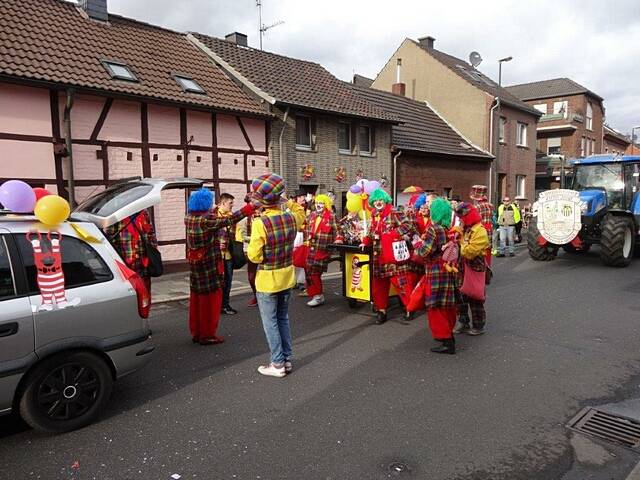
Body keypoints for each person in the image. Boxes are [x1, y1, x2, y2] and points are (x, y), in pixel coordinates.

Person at [247, 174, 305, 378]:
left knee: (270, 321)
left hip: (267, 279)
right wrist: (286, 199)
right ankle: (286, 360)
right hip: (286, 275)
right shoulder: (291, 217)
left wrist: (263, 255)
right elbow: (301, 212)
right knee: (283, 318)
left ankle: (278, 363)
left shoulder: (260, 223)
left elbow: (254, 256)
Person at [184, 188, 253, 345]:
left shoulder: (189, 218)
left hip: (196, 266)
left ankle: (197, 332)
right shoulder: (206, 221)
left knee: (196, 301)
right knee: (211, 302)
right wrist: (249, 208)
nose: (212, 205)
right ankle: (207, 334)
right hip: (209, 266)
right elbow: (229, 220)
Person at [360, 188, 417, 324]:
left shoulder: (394, 211)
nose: (378, 202)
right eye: (376, 200)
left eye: (380, 200)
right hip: (378, 255)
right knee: (379, 285)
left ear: (385, 200)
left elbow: (408, 225)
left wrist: (393, 235)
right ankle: (381, 311)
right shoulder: (374, 214)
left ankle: (409, 307)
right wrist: (365, 241)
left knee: (401, 283)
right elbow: (371, 231)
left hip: (392, 255)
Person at [414, 198, 459, 354]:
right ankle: (449, 335)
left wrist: (418, 245)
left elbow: (425, 251)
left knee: (435, 305)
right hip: (447, 269)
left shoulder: (434, 229)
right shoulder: (448, 228)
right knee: (446, 304)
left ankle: (446, 340)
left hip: (435, 269)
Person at [105, 209, 158, 302]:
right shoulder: (116, 216)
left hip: (144, 264)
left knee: (144, 297)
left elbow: (151, 233)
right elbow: (109, 240)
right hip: (126, 266)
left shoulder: (143, 213)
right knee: (130, 298)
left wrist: (153, 251)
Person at [453, 202, 489, 336]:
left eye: (461, 218)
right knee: (460, 296)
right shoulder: (465, 229)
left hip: (474, 266)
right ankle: (463, 322)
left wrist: (458, 245)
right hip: (462, 266)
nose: (460, 220)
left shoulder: (480, 231)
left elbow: (470, 251)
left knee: (475, 297)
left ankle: (478, 325)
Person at [303, 194, 337, 307]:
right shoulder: (311, 215)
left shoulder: (331, 217)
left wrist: (338, 240)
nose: (319, 205)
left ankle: (318, 296)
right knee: (310, 272)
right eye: (317, 203)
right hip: (310, 248)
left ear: (326, 204)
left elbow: (339, 231)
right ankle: (316, 294)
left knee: (315, 271)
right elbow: (304, 227)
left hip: (323, 249)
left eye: (321, 203)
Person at [212, 193, 238, 314]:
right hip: (216, 255)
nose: (232, 205)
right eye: (230, 203)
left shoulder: (231, 216)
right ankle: (216, 306)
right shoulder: (213, 215)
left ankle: (225, 305)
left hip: (228, 254)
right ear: (222, 203)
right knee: (216, 283)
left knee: (228, 281)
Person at [236, 214, 258, 307]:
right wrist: (257, 238)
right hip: (251, 250)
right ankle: (256, 295)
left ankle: (264, 296)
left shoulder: (265, 217)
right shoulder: (245, 220)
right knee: (251, 277)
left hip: (264, 250)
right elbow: (243, 236)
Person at [469, 185, 494, 266]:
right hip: (489, 230)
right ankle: (488, 271)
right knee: (488, 252)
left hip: (480, 231)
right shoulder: (490, 205)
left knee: (480, 253)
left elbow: (473, 221)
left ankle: (481, 273)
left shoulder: (476, 207)